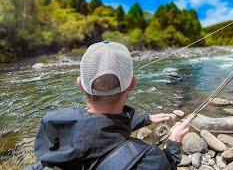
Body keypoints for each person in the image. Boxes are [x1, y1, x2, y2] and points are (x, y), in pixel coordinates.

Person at [30, 41, 192, 170]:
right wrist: (174, 143)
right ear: (133, 84)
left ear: (80, 84)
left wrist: (146, 119)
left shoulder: (52, 128)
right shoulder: (150, 159)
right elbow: (168, 166)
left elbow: (99, 129)